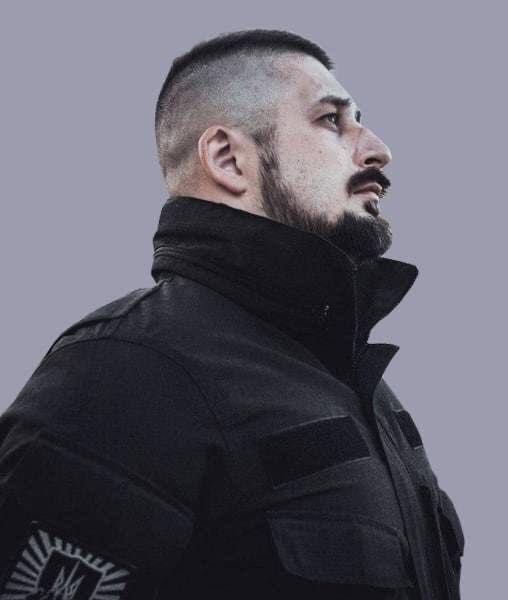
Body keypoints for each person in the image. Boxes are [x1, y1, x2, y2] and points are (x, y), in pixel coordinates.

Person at [0, 29, 465, 599]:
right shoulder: (126, 373)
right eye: (331, 120)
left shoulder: (359, 387)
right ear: (227, 158)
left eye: (360, 121)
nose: (377, 149)